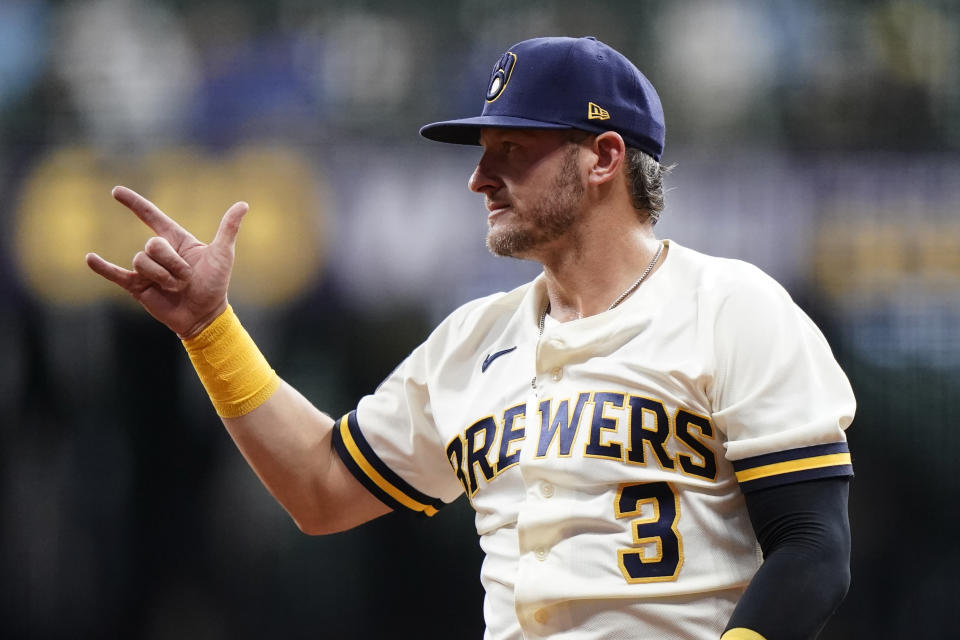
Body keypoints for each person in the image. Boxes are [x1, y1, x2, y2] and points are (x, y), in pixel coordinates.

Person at [86, 36, 855, 640]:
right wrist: (210, 332)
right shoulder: (471, 340)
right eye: (482, 151)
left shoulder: (733, 307)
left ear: (604, 158)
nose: (479, 178)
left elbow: (813, 548)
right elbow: (322, 490)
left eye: (511, 151)